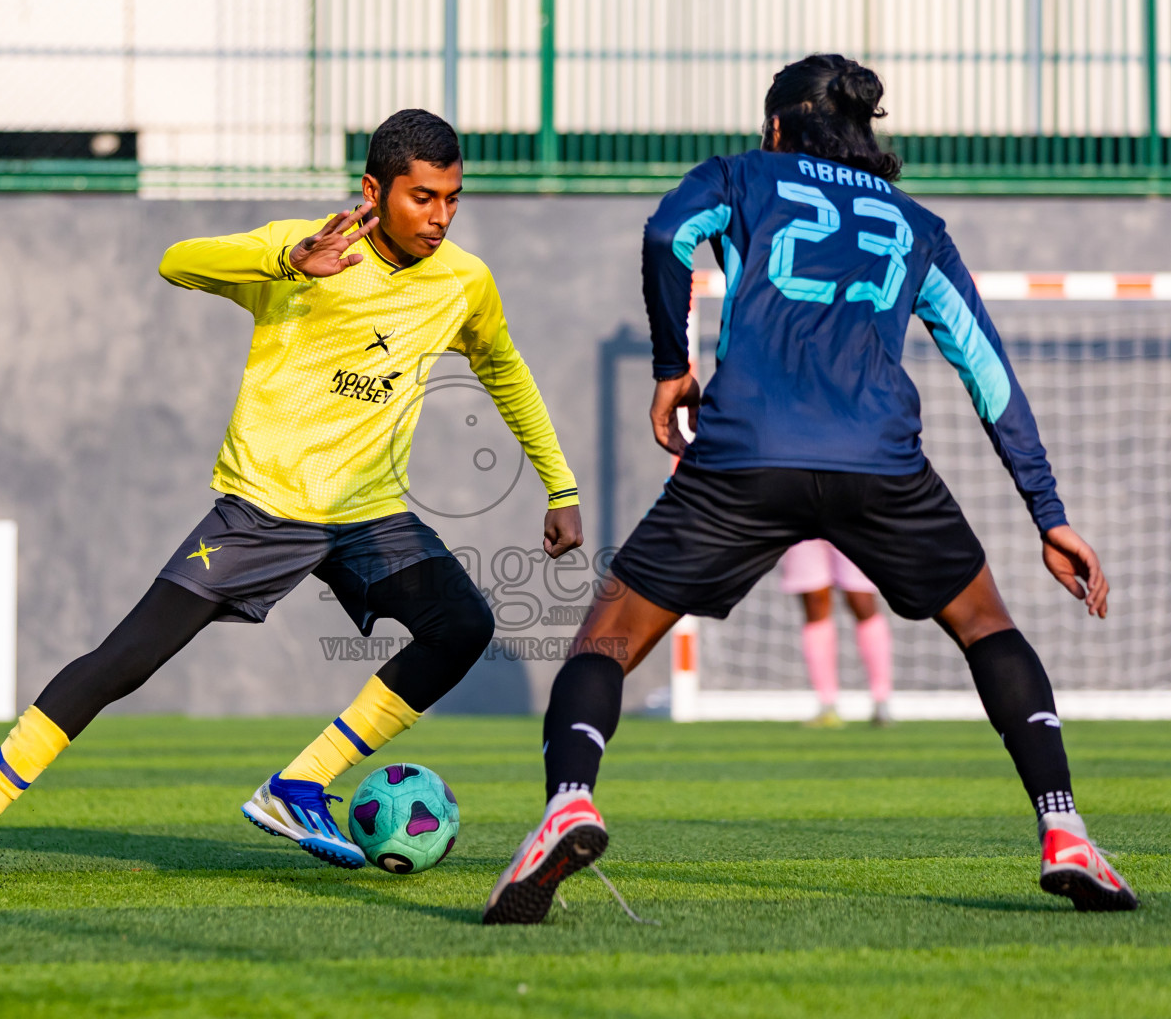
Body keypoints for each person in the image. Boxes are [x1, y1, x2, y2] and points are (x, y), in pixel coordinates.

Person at [483, 55, 1136, 924]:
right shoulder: (916, 224)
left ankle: (569, 801)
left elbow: (665, 235)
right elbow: (987, 370)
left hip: (746, 452)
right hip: (881, 464)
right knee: (987, 626)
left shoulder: (742, 177)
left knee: (605, 640)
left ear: (781, 126)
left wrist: (673, 370)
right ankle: (1066, 833)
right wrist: (1048, 514)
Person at [0, 109, 583, 891]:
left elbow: (504, 370)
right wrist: (286, 261)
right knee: (124, 662)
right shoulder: (305, 254)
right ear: (373, 189)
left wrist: (559, 484)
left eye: (452, 198)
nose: (439, 217)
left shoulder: (463, 282)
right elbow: (177, 260)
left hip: (368, 514)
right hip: (263, 510)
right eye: (421, 198)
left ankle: (299, 785)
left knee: (462, 624)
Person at [780, 539, 893, 727]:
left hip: (852, 518)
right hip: (803, 520)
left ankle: (881, 699)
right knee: (815, 602)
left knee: (861, 599)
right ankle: (827, 704)